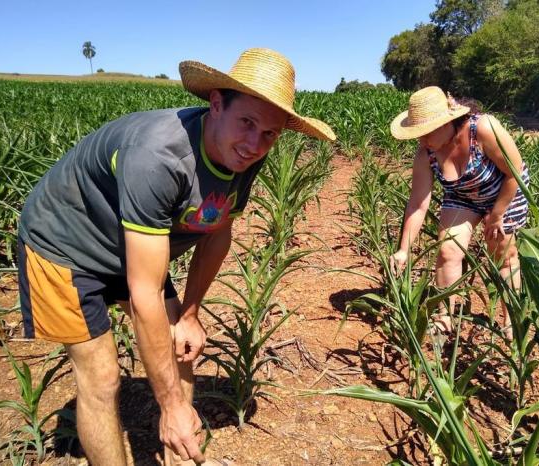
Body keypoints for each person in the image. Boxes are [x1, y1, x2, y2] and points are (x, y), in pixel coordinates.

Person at [17, 48, 335, 466]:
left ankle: (180, 456)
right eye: (247, 122)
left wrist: (190, 312)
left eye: (270, 133)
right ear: (216, 104)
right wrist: (169, 406)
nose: (255, 143)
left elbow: (219, 227)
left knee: (182, 345)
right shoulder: (159, 157)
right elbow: (144, 292)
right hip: (63, 243)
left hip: (129, 242)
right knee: (102, 378)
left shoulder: (247, 152)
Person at [388, 86, 529, 337]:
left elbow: (514, 172)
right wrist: (403, 250)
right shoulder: (426, 153)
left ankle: (511, 321)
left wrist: (496, 215)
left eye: (426, 132)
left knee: (502, 252)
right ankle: (445, 318)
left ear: (447, 122)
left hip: (504, 191)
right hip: (463, 195)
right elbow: (418, 203)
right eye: (418, 134)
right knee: (447, 248)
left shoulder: (484, 129)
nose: (422, 140)